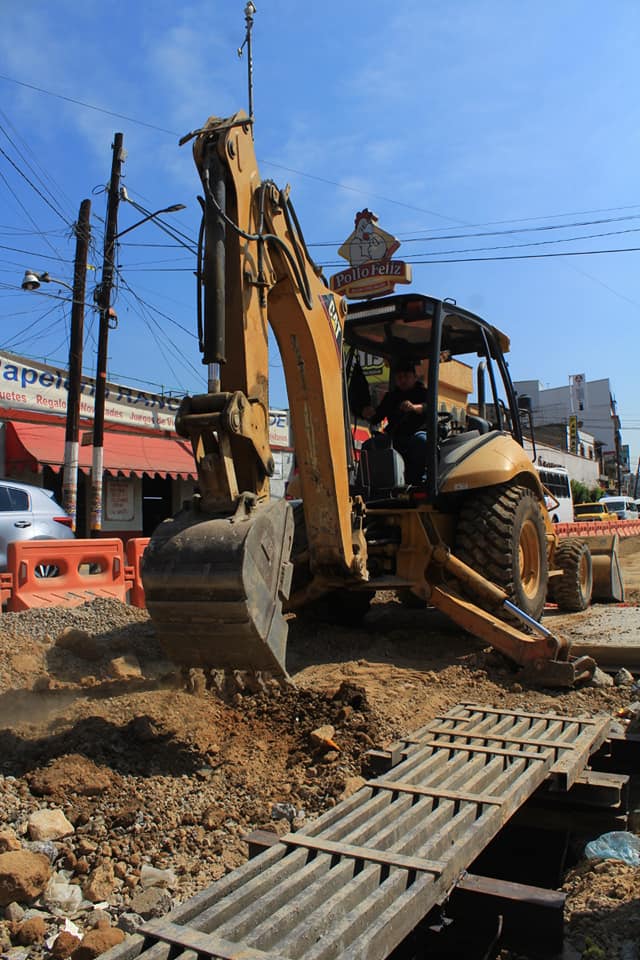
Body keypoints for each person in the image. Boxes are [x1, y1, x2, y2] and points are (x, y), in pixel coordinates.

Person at [361, 360, 429, 484]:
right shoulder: (391, 397)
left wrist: (414, 407)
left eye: (406, 376)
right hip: (395, 437)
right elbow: (377, 417)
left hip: (418, 432)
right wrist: (368, 413)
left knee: (421, 442)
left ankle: (420, 481)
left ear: (414, 377)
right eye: (399, 377)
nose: (402, 380)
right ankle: (375, 484)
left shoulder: (423, 393)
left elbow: (428, 407)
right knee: (368, 445)